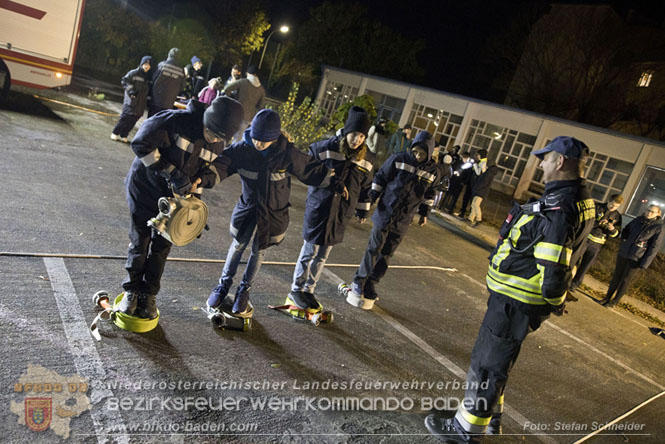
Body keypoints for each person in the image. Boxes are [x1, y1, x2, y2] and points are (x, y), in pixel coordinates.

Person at [425, 136, 595, 443]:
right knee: (497, 360)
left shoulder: (561, 206)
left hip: (516, 301)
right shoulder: (580, 201)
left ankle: (466, 431)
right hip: (518, 300)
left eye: (545, 158)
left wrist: (555, 299)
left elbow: (554, 264)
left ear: (560, 162)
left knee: (488, 365)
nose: (540, 163)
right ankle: (491, 419)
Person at [120, 96, 244, 319]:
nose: (213, 138)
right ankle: (131, 291)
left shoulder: (218, 142)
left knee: (161, 248)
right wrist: (172, 173)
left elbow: (205, 172)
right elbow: (140, 144)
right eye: (211, 132)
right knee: (140, 242)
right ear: (206, 118)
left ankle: (148, 295)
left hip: (174, 201)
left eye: (218, 137)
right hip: (144, 190)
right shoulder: (174, 121)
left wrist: (193, 210)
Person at [206, 110, 335, 316]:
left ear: (275, 138)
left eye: (264, 141)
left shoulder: (286, 153)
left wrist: (333, 181)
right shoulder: (241, 150)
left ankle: (244, 292)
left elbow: (309, 168)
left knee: (259, 251)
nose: (259, 144)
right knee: (238, 245)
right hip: (248, 209)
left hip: (272, 214)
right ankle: (222, 286)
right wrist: (203, 178)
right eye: (256, 138)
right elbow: (222, 165)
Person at [289, 106, 374, 312]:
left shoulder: (366, 160)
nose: (357, 140)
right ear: (346, 132)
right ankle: (296, 289)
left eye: (362, 136)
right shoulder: (325, 148)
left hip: (340, 214)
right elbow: (309, 168)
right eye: (354, 134)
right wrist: (329, 179)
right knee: (309, 251)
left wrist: (363, 210)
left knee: (323, 255)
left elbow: (365, 188)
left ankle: (309, 290)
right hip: (320, 207)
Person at [345, 130, 441, 310]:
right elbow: (380, 178)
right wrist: (370, 200)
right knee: (374, 248)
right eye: (416, 151)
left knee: (387, 253)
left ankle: (371, 283)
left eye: (422, 153)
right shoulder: (399, 159)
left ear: (428, 153)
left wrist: (424, 214)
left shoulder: (433, 171)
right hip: (385, 212)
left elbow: (429, 194)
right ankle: (359, 280)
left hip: (404, 219)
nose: (418, 155)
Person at [600, 204, 664, 308]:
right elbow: (626, 229)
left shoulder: (658, 227)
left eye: (652, 212)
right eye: (648, 210)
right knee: (616, 277)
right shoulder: (639, 219)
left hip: (637, 257)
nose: (649, 213)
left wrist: (645, 263)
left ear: (657, 215)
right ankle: (607, 298)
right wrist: (625, 240)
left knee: (625, 280)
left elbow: (654, 247)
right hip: (624, 253)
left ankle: (614, 302)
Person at [569, 194, 623, 292]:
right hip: (585, 239)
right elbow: (585, 222)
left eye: (616, 206)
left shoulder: (617, 216)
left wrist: (612, 229)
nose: (613, 207)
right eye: (612, 204)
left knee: (586, 265)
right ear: (609, 200)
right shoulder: (596, 207)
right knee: (573, 260)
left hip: (597, 244)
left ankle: (575, 284)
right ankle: (565, 280)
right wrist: (598, 222)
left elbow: (616, 234)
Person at [111, 55, 152, 143]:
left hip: (140, 103)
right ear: (141, 64)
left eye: (148, 65)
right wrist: (131, 91)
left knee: (134, 119)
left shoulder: (149, 78)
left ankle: (124, 134)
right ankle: (115, 132)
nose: (146, 66)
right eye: (145, 64)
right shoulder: (134, 73)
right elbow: (124, 81)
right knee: (126, 117)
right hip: (131, 100)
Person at [223, 65, 266, 142]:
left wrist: (232, 98)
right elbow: (261, 108)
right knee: (237, 140)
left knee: (225, 135)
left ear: (248, 74)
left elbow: (226, 89)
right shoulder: (261, 90)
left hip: (235, 112)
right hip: (247, 117)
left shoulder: (242, 81)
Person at [148, 48, 186, 117]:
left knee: (151, 120)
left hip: (156, 99)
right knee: (161, 122)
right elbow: (182, 86)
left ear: (169, 55)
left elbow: (154, 78)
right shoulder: (181, 70)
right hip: (169, 102)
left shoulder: (162, 65)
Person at [467, 150, 499, 228]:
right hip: (481, 190)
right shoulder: (488, 172)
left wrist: (477, 187)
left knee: (475, 204)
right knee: (473, 204)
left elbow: (484, 181)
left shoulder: (488, 173)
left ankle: (479, 219)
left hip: (481, 191)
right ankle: (470, 219)